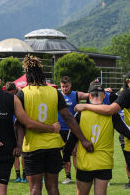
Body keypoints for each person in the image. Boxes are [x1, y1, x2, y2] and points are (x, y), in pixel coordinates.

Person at [15, 55, 94, 195]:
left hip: (32, 148)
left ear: (27, 75)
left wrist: (19, 145)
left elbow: (20, 124)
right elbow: (69, 117)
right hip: (53, 146)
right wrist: (83, 139)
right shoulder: (55, 92)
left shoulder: (23, 94)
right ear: (42, 73)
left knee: (35, 189)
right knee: (53, 188)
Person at [63, 82, 130, 195]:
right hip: (104, 163)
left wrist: (65, 158)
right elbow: (127, 132)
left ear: (89, 95)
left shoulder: (80, 114)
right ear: (104, 96)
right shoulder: (112, 114)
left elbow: (71, 139)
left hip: (85, 163)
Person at [58, 76, 90, 184]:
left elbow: (91, 94)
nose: (64, 89)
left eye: (66, 86)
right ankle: (68, 177)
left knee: (75, 152)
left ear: (70, 85)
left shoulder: (76, 95)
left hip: (72, 129)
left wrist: (104, 90)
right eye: (62, 87)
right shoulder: (57, 95)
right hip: (59, 129)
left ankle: (78, 176)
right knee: (64, 152)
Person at [5, 82, 27, 183]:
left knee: (23, 152)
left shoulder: (20, 98)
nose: (12, 95)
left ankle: (24, 175)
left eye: (13, 93)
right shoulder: (5, 100)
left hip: (21, 127)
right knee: (15, 153)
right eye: (10, 93)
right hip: (11, 128)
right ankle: (18, 175)